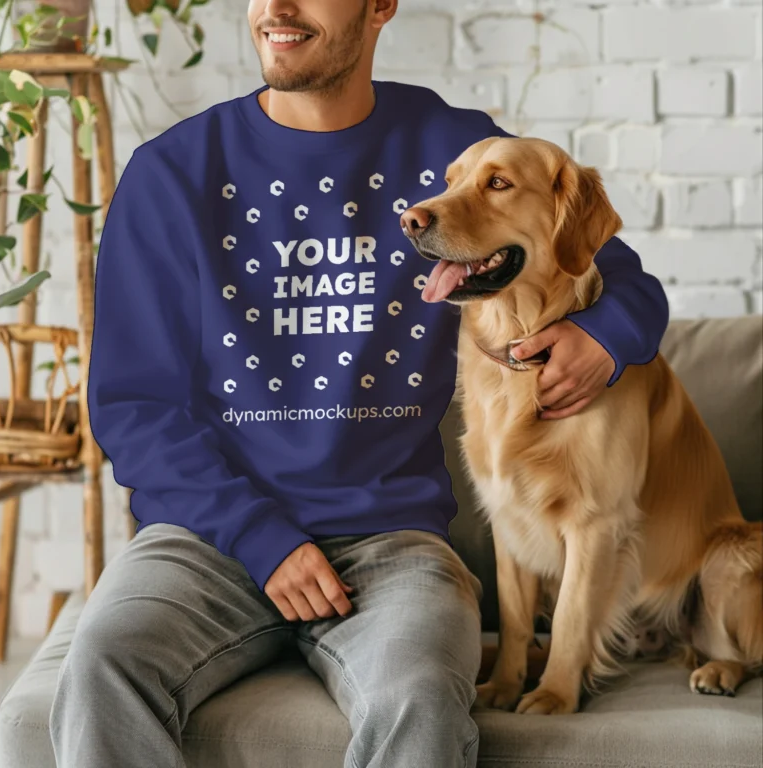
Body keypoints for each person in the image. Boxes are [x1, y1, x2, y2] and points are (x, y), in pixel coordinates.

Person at [49, 1, 669, 766]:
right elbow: (134, 406)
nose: (276, 8)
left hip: (394, 544)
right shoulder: (173, 173)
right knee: (101, 666)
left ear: (380, 6)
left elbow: (626, 280)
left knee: (419, 696)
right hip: (205, 539)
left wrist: (602, 339)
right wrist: (260, 539)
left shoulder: (451, 149)